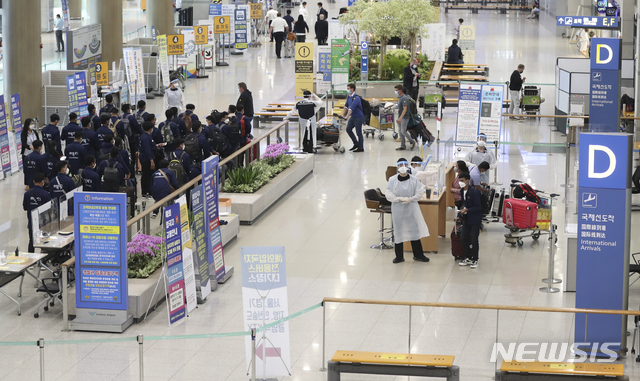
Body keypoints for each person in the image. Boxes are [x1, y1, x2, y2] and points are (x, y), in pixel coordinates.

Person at [385, 158, 430, 264]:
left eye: (405, 164)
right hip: (398, 209)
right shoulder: (392, 180)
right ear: (398, 167)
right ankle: (399, 256)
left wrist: (411, 199)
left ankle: (418, 255)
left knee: (414, 231)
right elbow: (389, 194)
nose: (403, 167)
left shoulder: (414, 180)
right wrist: (399, 199)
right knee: (398, 231)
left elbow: (419, 192)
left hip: (411, 208)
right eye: (401, 165)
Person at [458, 172, 482, 268]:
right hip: (466, 219)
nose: (460, 183)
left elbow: (478, 207)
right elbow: (463, 204)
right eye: (459, 181)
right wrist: (460, 214)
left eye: (462, 181)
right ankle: (467, 256)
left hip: (475, 219)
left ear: (467, 181)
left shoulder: (474, 192)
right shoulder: (461, 191)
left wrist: (468, 210)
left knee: (474, 239)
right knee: (463, 238)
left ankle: (475, 259)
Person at [23, 172, 51, 252]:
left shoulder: (27, 194)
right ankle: (44, 259)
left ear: (33, 181)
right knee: (45, 241)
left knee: (31, 242)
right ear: (43, 181)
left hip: (31, 222)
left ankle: (30, 259)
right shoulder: (45, 194)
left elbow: (25, 207)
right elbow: (49, 209)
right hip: (43, 223)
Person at [342, 83, 365, 153]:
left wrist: (346, 116)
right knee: (348, 129)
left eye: (348, 89)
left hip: (358, 117)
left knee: (358, 132)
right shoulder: (349, 97)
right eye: (347, 88)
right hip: (353, 117)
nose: (347, 90)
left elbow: (351, 108)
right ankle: (356, 143)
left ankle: (361, 147)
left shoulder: (356, 98)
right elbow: (346, 106)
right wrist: (343, 115)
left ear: (352, 89)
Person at [138, 121, 157, 199]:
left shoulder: (145, 136)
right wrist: (151, 161)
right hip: (147, 159)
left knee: (145, 175)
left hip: (145, 158)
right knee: (148, 176)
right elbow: (147, 150)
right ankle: (147, 192)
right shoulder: (145, 138)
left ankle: (144, 192)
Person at [394, 85, 416, 151]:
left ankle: (412, 141)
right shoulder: (400, 98)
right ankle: (403, 145)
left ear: (400, 91)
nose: (395, 91)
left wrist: (400, 118)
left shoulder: (404, 98)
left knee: (403, 131)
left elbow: (405, 109)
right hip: (400, 116)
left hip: (404, 117)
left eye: (396, 90)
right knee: (400, 131)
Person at [21, 118, 40, 189]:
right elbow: (23, 143)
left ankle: (36, 181)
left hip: (35, 153)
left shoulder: (35, 132)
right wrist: (30, 147)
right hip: (27, 153)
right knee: (27, 169)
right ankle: (27, 184)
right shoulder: (24, 133)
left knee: (35, 168)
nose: (33, 125)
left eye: (33, 123)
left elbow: (38, 141)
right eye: (31, 124)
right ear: (27, 125)